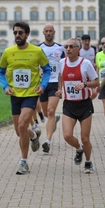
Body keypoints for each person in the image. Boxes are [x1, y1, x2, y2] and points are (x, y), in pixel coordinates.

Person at [0, 21, 51, 175]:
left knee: (22, 125)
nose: (17, 35)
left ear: (27, 34)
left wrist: (43, 85)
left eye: (20, 32)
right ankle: (34, 135)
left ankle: (23, 162)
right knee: (19, 131)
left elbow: (47, 70)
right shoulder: (8, 52)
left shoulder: (37, 51)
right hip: (15, 94)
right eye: (15, 32)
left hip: (31, 94)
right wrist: (5, 86)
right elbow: (0, 72)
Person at [56, 38, 99, 174]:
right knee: (67, 136)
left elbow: (96, 82)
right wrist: (59, 89)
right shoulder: (62, 62)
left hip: (84, 104)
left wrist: (85, 84)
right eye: (66, 47)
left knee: (85, 138)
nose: (67, 49)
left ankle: (88, 162)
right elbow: (60, 76)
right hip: (68, 105)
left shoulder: (85, 64)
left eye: (71, 47)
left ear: (77, 49)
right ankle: (79, 149)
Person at [37, 23, 65, 153]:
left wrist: (61, 87)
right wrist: (38, 73)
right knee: (47, 113)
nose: (48, 33)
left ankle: (47, 141)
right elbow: (34, 66)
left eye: (50, 31)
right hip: (43, 84)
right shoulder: (38, 48)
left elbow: (63, 70)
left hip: (54, 83)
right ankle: (53, 122)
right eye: (46, 31)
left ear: (54, 32)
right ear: (43, 33)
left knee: (51, 111)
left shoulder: (60, 49)